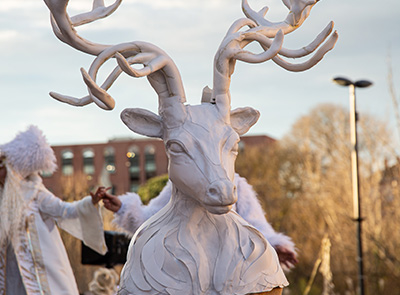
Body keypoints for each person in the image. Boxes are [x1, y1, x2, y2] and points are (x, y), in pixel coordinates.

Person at [98, 174, 298, 270]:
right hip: (185, 270)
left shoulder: (235, 184)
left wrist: (274, 245)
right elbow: (151, 220)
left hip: (228, 271)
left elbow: (255, 225)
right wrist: (122, 206)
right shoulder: (179, 184)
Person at [0, 125, 107, 295]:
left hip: (40, 270)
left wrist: (90, 202)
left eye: (2, 168)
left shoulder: (35, 192)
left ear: (12, 171)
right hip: (10, 272)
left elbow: (64, 210)